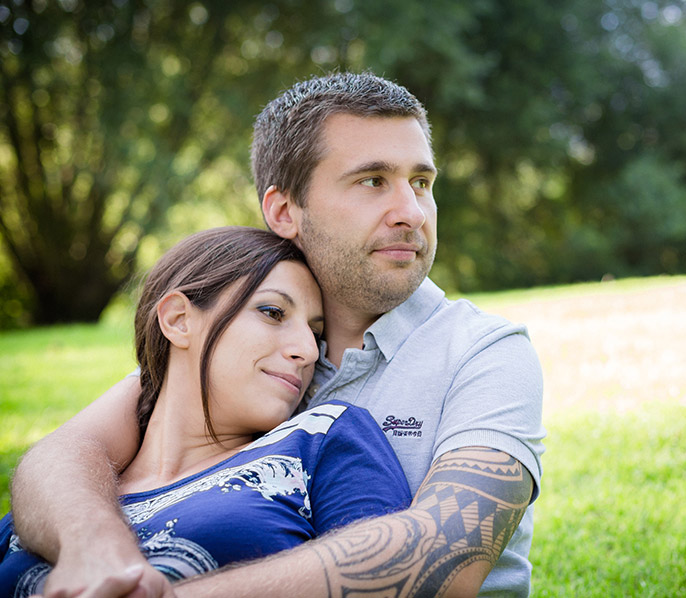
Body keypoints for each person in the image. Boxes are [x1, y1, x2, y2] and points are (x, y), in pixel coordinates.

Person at [10, 72, 545, 598]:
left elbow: (448, 551)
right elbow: (63, 454)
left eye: (421, 183)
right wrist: (95, 549)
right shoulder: (236, 345)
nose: (411, 212)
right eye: (372, 181)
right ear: (285, 210)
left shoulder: (483, 351)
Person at [0, 226, 412, 596]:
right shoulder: (53, 498)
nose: (306, 351)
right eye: (273, 312)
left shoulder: (325, 439)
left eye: (316, 334)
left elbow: (390, 576)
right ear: (179, 319)